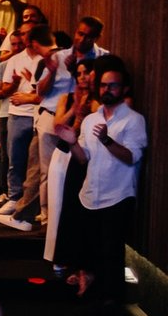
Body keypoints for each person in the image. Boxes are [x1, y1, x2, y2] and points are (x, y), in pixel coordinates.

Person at [61, 57, 145, 302]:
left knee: (112, 253)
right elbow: (83, 159)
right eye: (104, 85)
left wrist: (108, 140)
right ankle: (94, 297)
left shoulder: (133, 120)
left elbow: (131, 157)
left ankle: (112, 304)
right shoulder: (91, 119)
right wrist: (72, 142)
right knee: (92, 250)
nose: (107, 90)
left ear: (124, 89)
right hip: (90, 195)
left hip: (118, 195)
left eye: (113, 85)